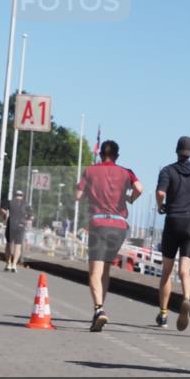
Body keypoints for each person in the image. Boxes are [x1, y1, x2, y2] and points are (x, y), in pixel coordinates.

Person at [76, 140, 143, 331]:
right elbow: (139, 188)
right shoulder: (126, 171)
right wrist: (130, 198)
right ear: (117, 156)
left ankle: (99, 309)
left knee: (94, 273)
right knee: (105, 270)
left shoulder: (90, 171)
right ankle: (99, 309)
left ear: (99, 155)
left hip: (99, 224)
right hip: (119, 226)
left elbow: (77, 196)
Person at [155, 136, 190, 331]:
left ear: (177, 151)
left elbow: (161, 193)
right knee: (184, 270)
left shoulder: (167, 171)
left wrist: (160, 205)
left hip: (173, 221)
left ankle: (163, 314)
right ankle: (187, 298)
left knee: (167, 271)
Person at [2, 189, 32, 272]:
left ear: (15, 195)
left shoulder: (10, 202)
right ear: (22, 196)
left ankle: (8, 263)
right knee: (18, 246)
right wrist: (26, 222)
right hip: (21, 226)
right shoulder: (26, 204)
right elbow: (30, 217)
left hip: (10, 225)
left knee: (8, 244)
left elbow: (3, 210)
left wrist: (4, 216)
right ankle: (14, 264)